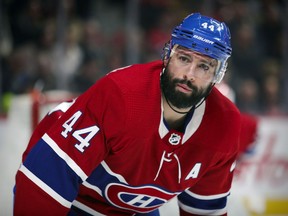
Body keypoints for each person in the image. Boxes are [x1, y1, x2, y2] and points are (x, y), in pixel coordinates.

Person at [14, 13, 241, 215]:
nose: (189, 74)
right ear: (168, 55)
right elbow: (43, 182)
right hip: (75, 201)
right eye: (184, 58)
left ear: (217, 75)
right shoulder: (122, 96)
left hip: (132, 211)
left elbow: (203, 211)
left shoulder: (225, 125)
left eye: (204, 66)